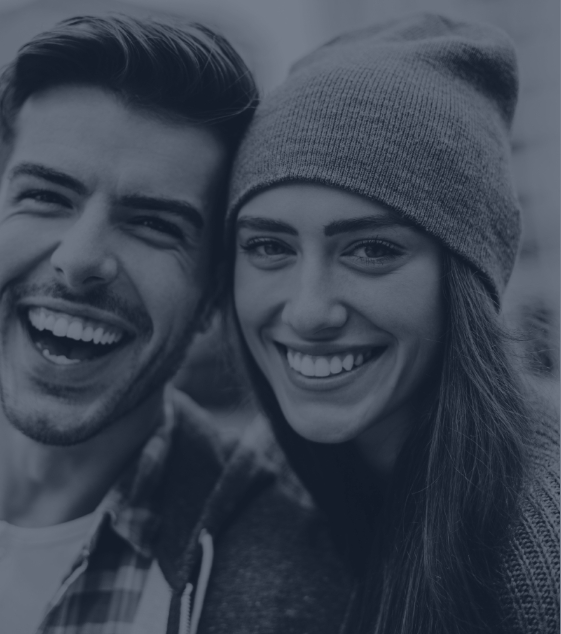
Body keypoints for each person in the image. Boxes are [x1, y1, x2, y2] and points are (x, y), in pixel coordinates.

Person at [0, 14, 269, 634]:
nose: (78, 260)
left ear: (214, 295)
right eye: (47, 196)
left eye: (154, 224)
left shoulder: (283, 577)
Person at [228, 13, 559, 634]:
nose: (308, 311)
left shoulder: (544, 553)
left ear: (466, 275)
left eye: (371, 249)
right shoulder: (254, 489)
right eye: (269, 247)